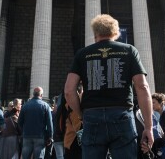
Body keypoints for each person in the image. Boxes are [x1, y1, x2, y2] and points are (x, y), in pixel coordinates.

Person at [64, 14, 154, 159]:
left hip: (92, 116)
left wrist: (81, 114)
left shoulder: (82, 54)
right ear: (116, 32)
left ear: (95, 34)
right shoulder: (129, 50)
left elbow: (69, 91)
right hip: (122, 115)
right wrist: (149, 127)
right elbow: (142, 87)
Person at [18, 87, 53, 159]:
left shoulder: (25, 106)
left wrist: (23, 131)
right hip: (40, 136)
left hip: (27, 135)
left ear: (33, 94)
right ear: (41, 95)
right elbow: (49, 123)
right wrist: (50, 136)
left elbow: (20, 122)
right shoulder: (45, 106)